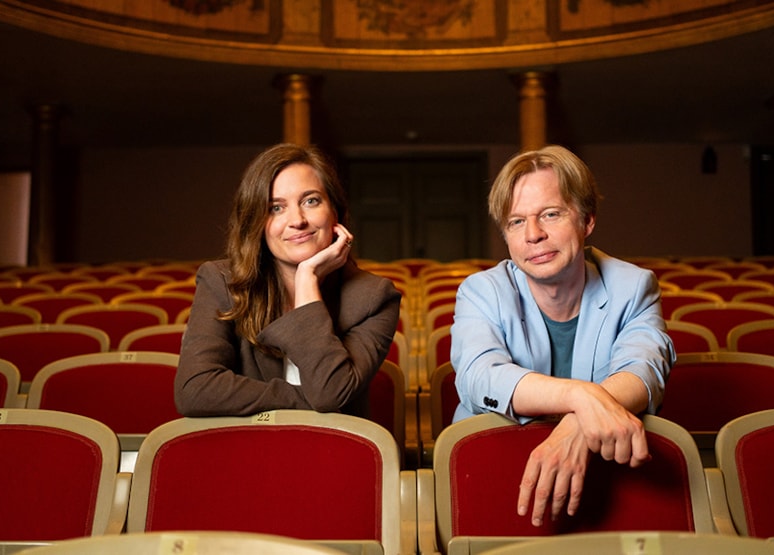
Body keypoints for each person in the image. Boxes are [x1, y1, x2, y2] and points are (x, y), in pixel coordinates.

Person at [450, 145, 675, 528]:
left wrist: (576, 423)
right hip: (493, 470)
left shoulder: (633, 286)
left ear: (587, 221)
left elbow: (645, 371)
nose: (533, 235)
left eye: (550, 214)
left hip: (609, 480)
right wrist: (580, 397)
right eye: (516, 222)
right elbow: (478, 377)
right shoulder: (481, 291)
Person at [174, 143, 402, 418]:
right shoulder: (221, 281)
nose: (297, 220)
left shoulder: (374, 297)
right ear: (256, 223)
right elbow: (195, 390)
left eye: (311, 201)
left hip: (333, 443)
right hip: (245, 441)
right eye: (276, 208)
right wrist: (303, 399)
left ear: (335, 212)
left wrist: (307, 280)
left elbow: (329, 392)